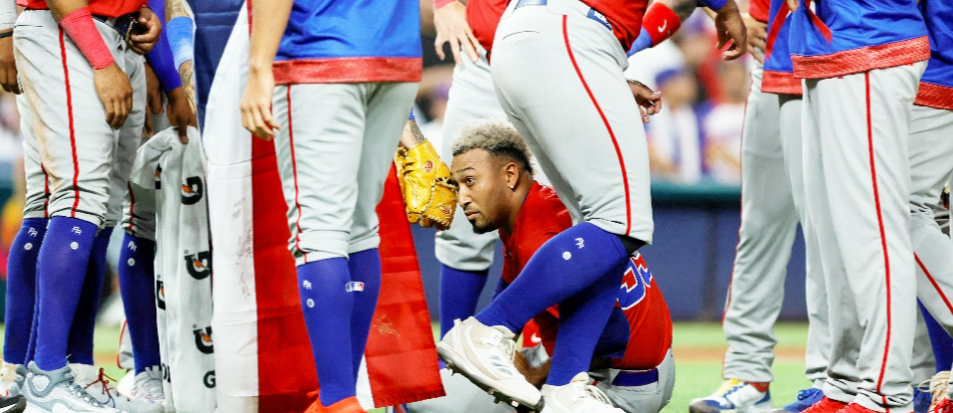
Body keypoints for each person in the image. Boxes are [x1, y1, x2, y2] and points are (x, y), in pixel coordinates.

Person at [437, 0, 746, 410]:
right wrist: (726, 9)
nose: (464, 195)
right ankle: (493, 332)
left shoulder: (532, 224)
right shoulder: (534, 225)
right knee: (619, 221)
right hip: (567, 33)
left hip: (525, 41)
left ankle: (562, 381)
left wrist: (602, 72)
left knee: (600, 221)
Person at [410, 119, 674, 413]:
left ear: (510, 174)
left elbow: (611, 337)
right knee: (428, 396)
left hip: (620, 381)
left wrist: (537, 374)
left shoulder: (539, 234)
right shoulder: (534, 210)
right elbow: (510, 296)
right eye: (456, 185)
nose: (462, 198)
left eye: (469, 181)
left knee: (437, 404)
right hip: (624, 365)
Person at [239, 0, 420, 410]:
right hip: (398, 55)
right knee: (360, 227)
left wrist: (259, 67)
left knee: (319, 230)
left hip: (318, 54)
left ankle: (338, 400)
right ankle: (339, 397)